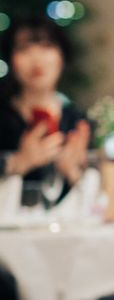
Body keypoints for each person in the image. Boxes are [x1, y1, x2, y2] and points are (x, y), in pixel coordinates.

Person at [0, 16, 90, 202]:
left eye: (46, 46)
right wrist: (18, 163)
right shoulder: (4, 117)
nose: (36, 58)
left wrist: (72, 172)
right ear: (11, 60)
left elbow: (95, 203)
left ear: (62, 57)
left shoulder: (77, 121)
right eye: (23, 48)